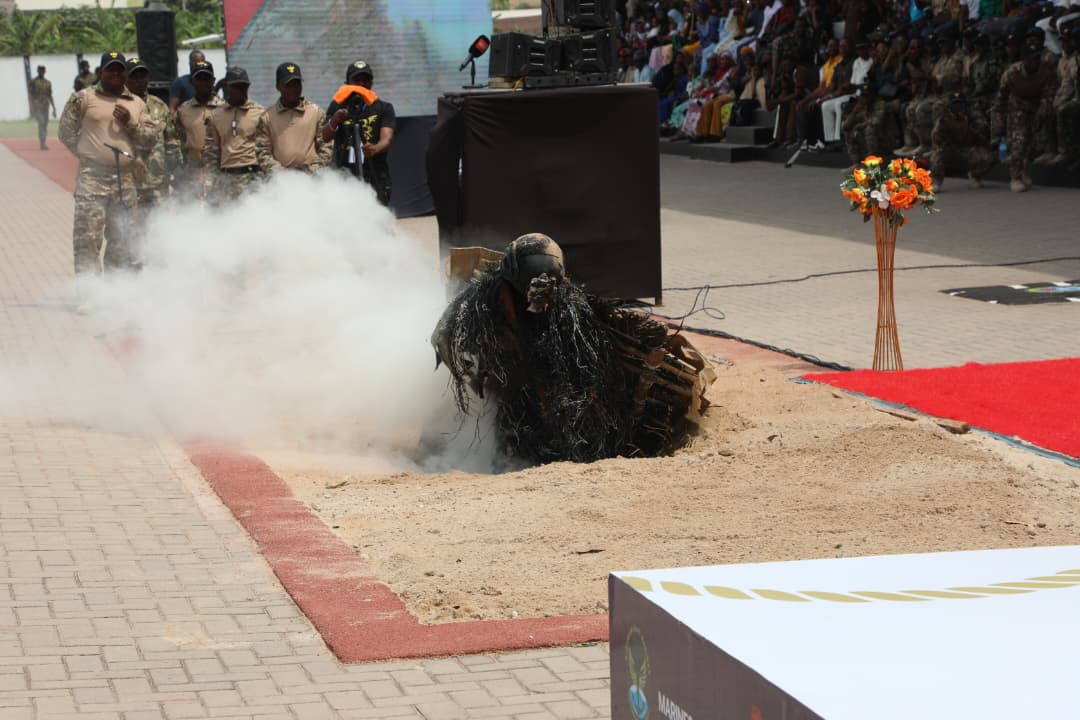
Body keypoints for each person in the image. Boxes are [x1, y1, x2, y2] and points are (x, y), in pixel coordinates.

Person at [58, 51, 156, 298]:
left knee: (121, 240)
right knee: (87, 240)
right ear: (100, 72)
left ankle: (113, 297)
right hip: (92, 180)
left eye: (120, 69)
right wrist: (87, 155)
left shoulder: (137, 103)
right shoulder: (83, 98)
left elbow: (150, 140)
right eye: (110, 69)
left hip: (125, 181)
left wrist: (130, 124)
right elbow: (65, 132)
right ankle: (90, 296)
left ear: (126, 73)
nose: (115, 74)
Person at [322, 59, 397, 206]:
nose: (362, 84)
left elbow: (387, 139)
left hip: (375, 175)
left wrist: (375, 148)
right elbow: (325, 136)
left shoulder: (384, 107)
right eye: (357, 80)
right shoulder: (337, 106)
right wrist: (335, 120)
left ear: (372, 82)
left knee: (378, 221)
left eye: (366, 80)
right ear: (347, 82)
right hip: (344, 176)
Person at [204, 67, 278, 202]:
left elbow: (268, 149)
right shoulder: (215, 115)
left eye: (244, 86)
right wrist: (211, 183)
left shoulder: (260, 113)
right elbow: (211, 153)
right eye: (236, 86)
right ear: (226, 86)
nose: (240, 90)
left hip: (253, 177)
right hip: (226, 180)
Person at [125, 57, 181, 222]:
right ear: (126, 79)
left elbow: (171, 142)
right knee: (130, 233)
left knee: (157, 230)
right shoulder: (118, 106)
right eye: (134, 76)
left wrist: (174, 170)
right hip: (129, 184)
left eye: (143, 76)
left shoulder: (159, 106)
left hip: (157, 183)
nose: (139, 80)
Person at [994, 45, 1057, 192]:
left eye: (1037, 58)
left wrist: (1040, 115)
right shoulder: (1011, 72)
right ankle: (1015, 177)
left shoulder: (1046, 71)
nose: (1035, 61)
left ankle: (1025, 168)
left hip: (1037, 106)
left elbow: (1049, 95)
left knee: (1035, 144)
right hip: (1017, 107)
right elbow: (1000, 98)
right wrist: (999, 122)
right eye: (1032, 58)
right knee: (1019, 141)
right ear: (1024, 60)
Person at [262, 62, 332, 172]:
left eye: (297, 84)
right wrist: (281, 173)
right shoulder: (267, 116)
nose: (293, 89)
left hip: (312, 179)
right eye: (288, 85)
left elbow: (326, 145)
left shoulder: (316, 112)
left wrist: (314, 170)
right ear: (278, 87)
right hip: (280, 181)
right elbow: (262, 151)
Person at [928, 92, 995, 191]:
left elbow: (983, 131)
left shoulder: (972, 115)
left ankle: (975, 175)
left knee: (988, 157)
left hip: (967, 147)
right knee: (936, 155)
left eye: (960, 104)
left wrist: (967, 124)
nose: (957, 108)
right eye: (954, 105)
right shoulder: (943, 117)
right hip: (949, 149)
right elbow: (936, 139)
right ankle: (936, 181)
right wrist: (942, 124)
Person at [174, 60, 220, 200]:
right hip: (192, 172)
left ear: (213, 80)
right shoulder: (183, 110)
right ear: (191, 82)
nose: (203, 82)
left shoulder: (225, 109)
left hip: (219, 172)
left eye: (206, 78)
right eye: (198, 79)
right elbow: (178, 140)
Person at [28, 65, 55, 151]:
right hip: (37, 106)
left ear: (45, 71)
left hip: (45, 106)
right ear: (37, 71)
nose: (41, 72)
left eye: (42, 71)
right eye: (40, 70)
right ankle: (42, 143)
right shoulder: (33, 82)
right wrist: (31, 107)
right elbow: (30, 95)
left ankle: (43, 142)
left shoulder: (48, 83)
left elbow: (50, 95)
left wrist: (53, 107)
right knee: (41, 123)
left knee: (45, 125)